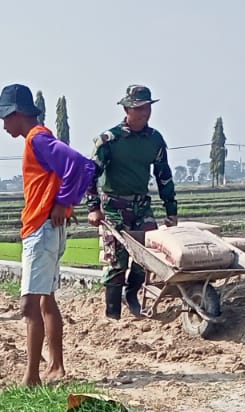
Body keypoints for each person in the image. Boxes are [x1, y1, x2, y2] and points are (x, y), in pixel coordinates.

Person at [0, 84, 94, 387]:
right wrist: (63, 203)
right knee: (46, 300)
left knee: (29, 305)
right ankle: (56, 367)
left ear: (16, 114)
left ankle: (31, 376)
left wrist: (63, 202)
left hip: (41, 229)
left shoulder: (37, 139)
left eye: (5, 119)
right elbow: (76, 169)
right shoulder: (38, 140)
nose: (3, 125)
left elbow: (80, 164)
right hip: (46, 228)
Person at [87, 85, 178, 320]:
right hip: (113, 205)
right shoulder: (109, 140)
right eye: (138, 108)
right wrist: (93, 208)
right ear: (127, 109)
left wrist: (171, 210)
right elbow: (89, 174)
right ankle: (112, 313)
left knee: (147, 255)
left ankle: (132, 295)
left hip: (141, 205)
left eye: (147, 108)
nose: (143, 113)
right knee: (117, 260)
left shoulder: (155, 139)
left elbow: (163, 175)